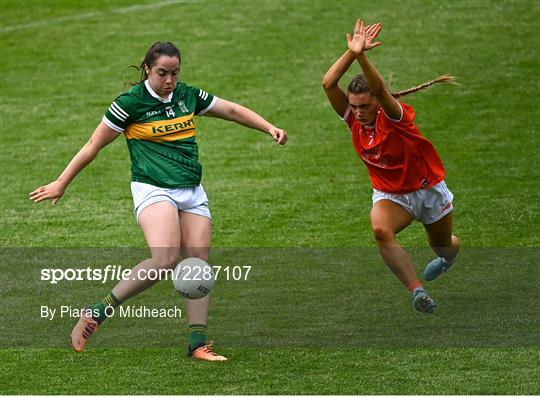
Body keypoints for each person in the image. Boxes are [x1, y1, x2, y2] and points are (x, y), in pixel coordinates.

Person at [30, 41, 287, 360]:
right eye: (162, 73)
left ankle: (197, 344)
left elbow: (231, 110)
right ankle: (97, 312)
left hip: (190, 188)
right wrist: (61, 182)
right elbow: (93, 145)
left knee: (197, 266)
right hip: (153, 188)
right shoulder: (129, 103)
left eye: (175, 73)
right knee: (165, 258)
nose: (169, 80)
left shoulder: (188, 95)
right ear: (148, 70)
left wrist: (268, 127)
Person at [322, 20, 460, 313]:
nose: (358, 113)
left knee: (443, 245)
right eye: (354, 106)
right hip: (392, 196)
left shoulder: (395, 117)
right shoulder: (353, 120)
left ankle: (448, 258)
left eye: (364, 106)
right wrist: (351, 53)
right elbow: (328, 83)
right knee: (380, 230)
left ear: (378, 103)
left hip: (427, 190)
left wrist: (363, 57)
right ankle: (417, 291)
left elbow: (382, 90)